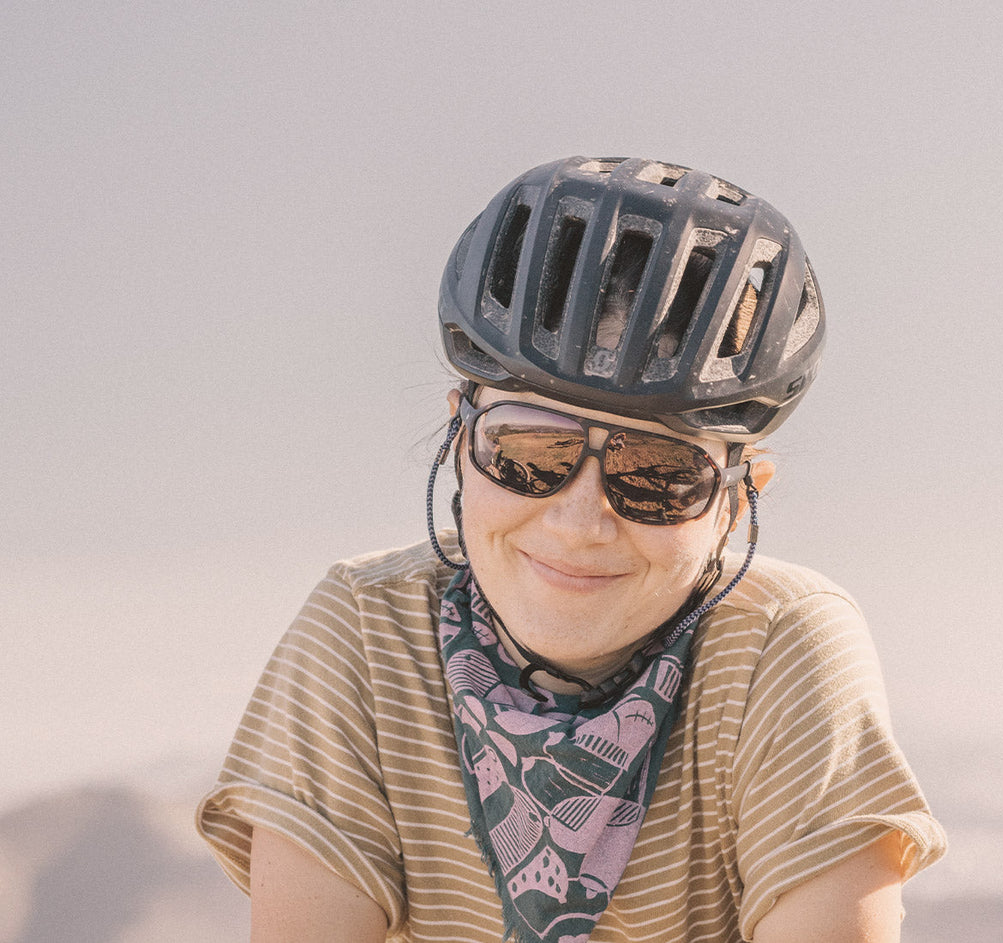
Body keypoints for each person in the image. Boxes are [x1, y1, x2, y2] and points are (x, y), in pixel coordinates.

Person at [197, 155, 946, 943]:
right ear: (459, 440)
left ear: (736, 498)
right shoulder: (367, 631)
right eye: (528, 451)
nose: (580, 521)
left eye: (656, 474)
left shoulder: (776, 648)